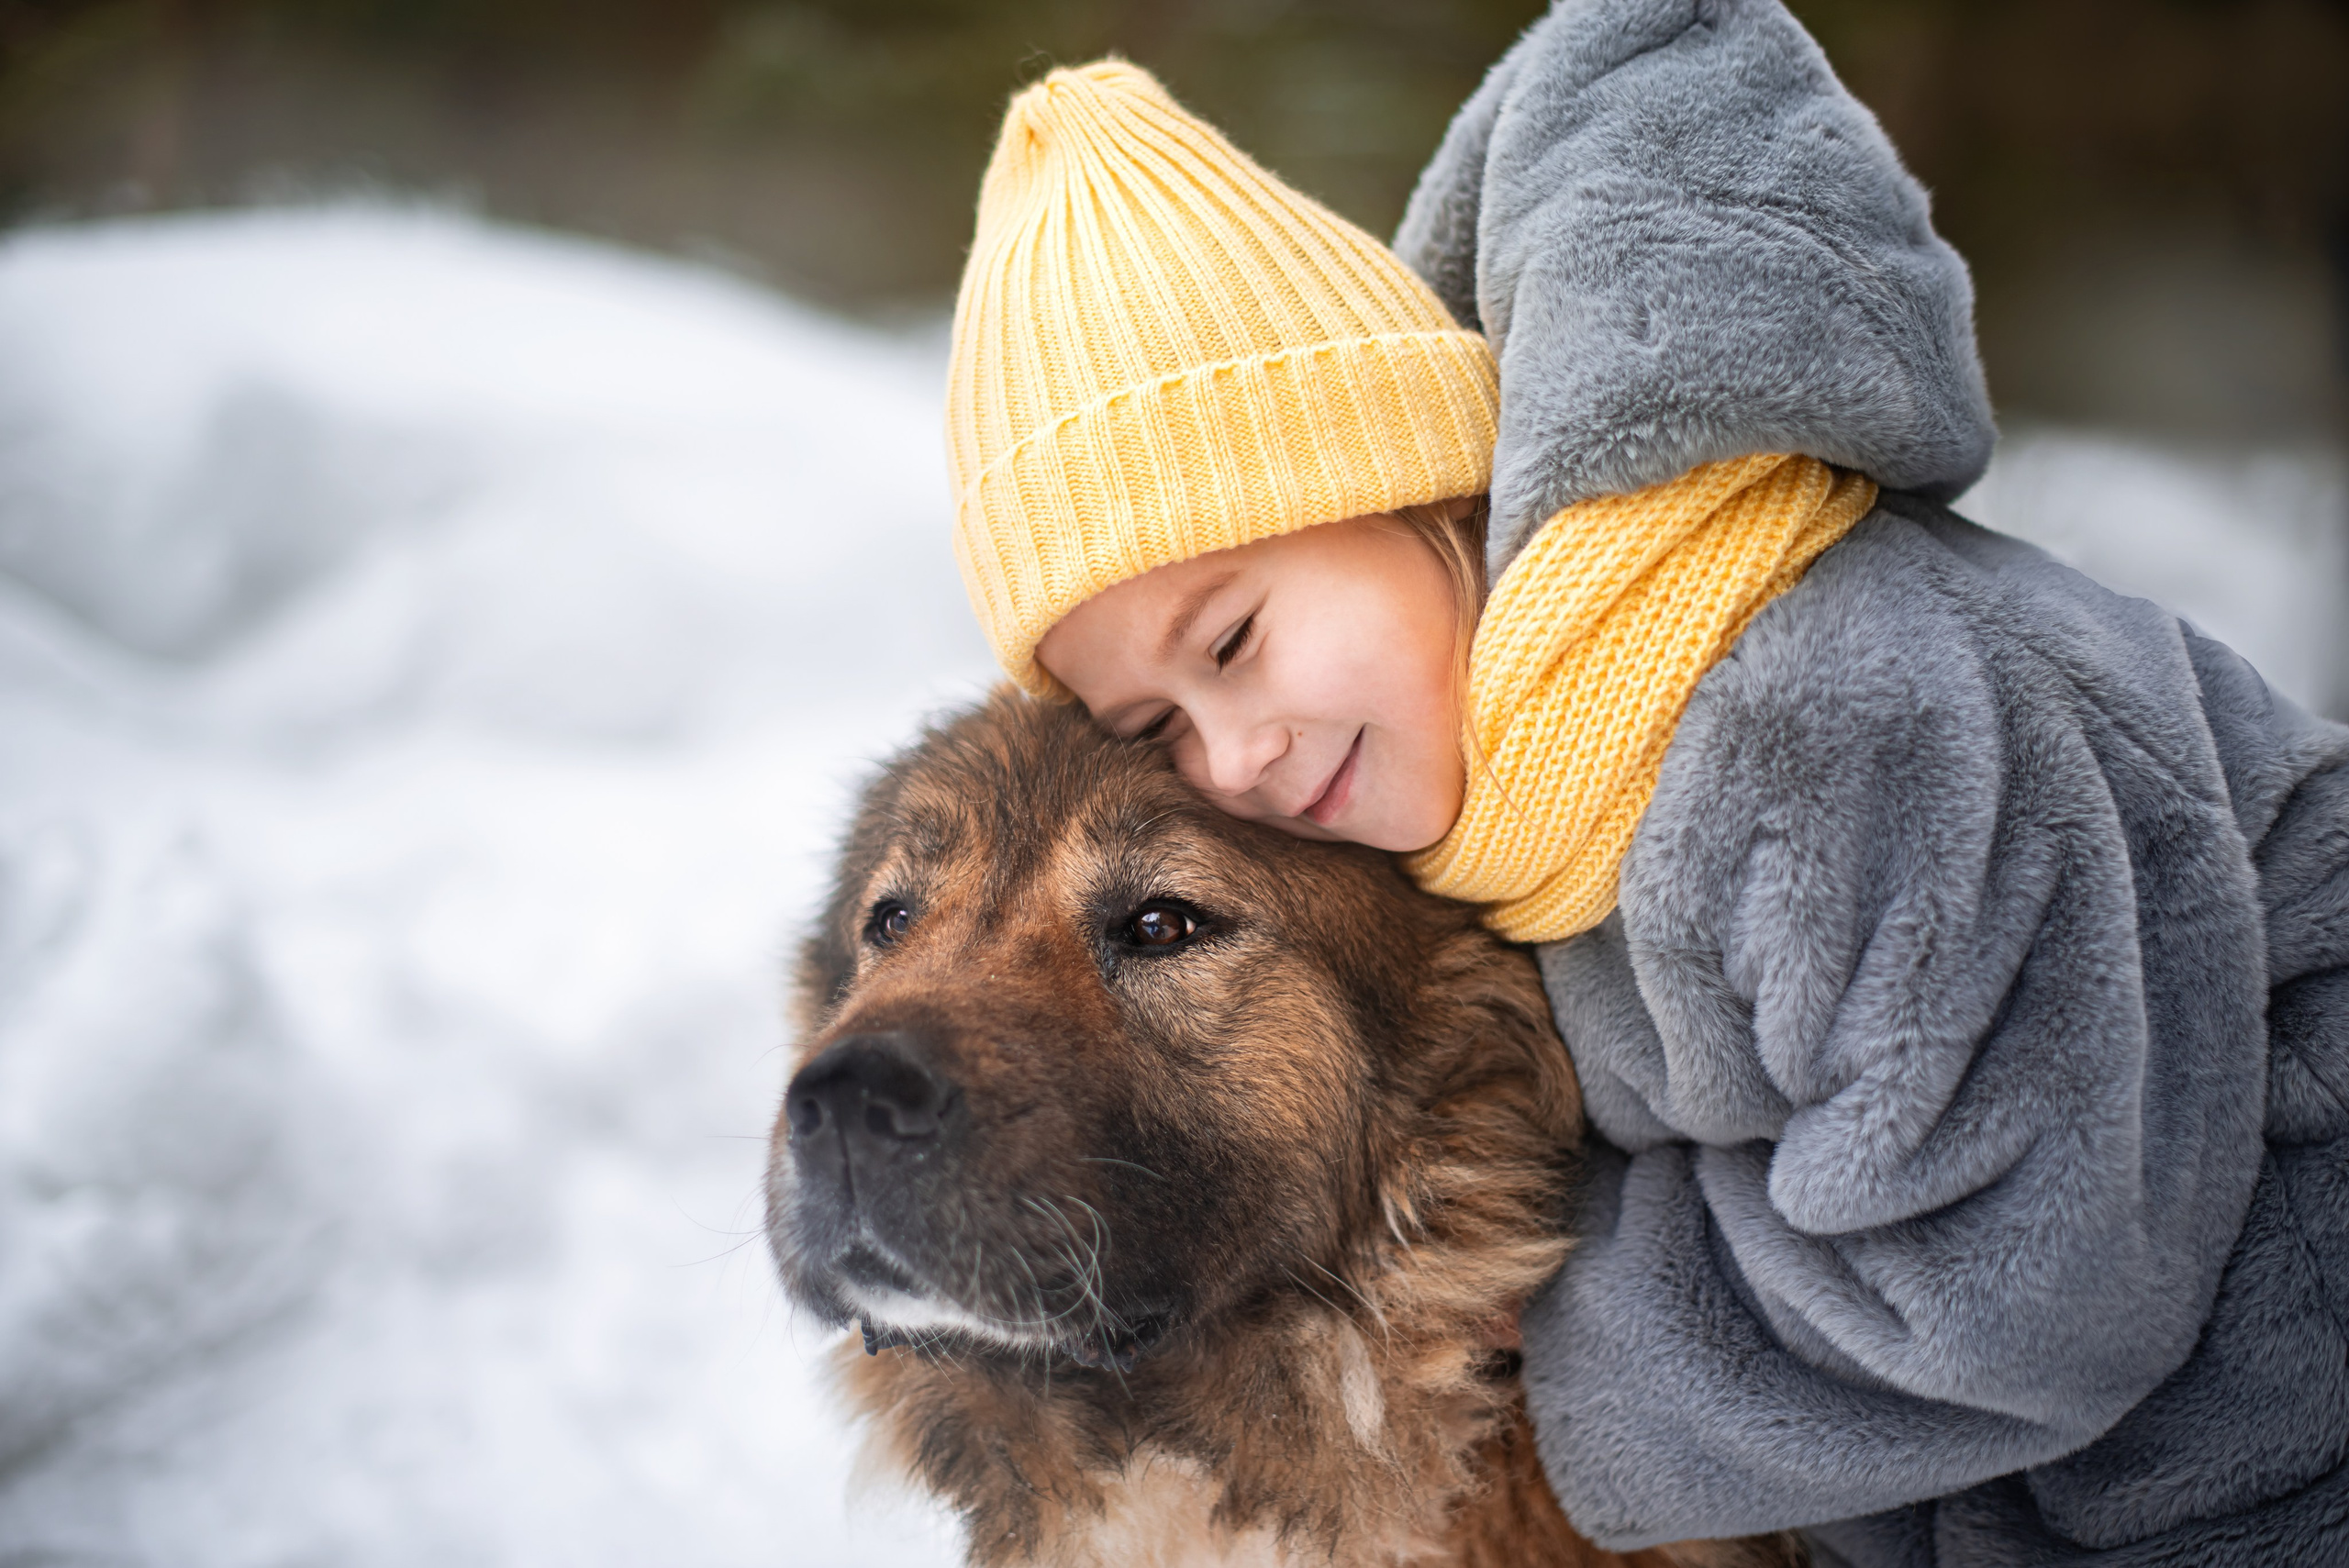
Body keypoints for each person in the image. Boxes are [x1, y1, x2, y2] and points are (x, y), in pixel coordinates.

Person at [938, 5, 2349, 1563]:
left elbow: (2022, 1280)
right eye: (1156, 720)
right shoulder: (1536, 777)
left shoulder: (1807, 717)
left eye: (1240, 636)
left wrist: (1564, 1328)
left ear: (1426, 491)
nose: (1238, 751)